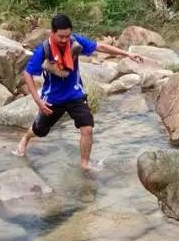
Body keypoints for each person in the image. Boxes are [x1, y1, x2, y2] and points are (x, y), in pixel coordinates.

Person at [15, 14, 144, 171]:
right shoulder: (43, 49)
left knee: (87, 128)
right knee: (39, 131)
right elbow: (28, 74)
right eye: (61, 36)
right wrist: (38, 101)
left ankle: (84, 164)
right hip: (53, 98)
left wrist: (128, 54)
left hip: (75, 94)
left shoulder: (75, 42)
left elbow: (100, 47)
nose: (64, 40)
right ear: (52, 33)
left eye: (67, 36)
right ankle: (26, 138)